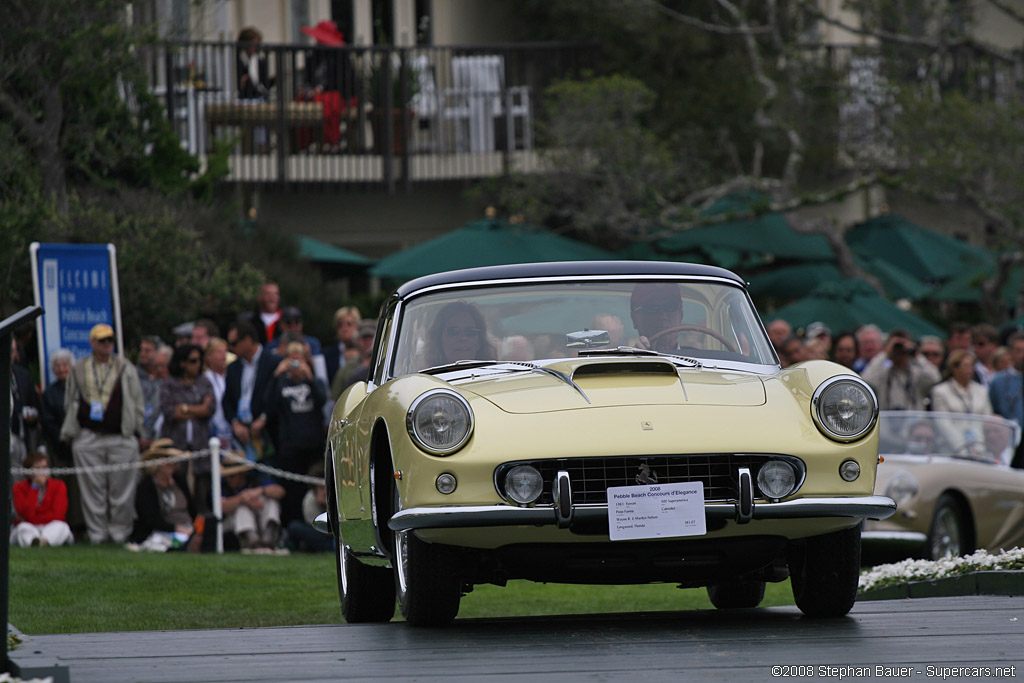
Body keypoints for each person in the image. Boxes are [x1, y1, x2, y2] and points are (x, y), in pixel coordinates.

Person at [60, 323, 145, 545]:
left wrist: (136, 428)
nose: (107, 344)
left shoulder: (125, 367)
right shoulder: (79, 368)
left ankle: (120, 533)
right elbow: (70, 400)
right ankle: (97, 534)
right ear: (92, 343)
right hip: (89, 434)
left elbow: (137, 401)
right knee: (92, 489)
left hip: (121, 435)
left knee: (122, 489)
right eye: (102, 340)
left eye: (110, 340)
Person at [264, 340, 327, 525]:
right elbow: (269, 405)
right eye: (292, 361)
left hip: (313, 445)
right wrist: (277, 375)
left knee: (314, 486)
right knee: (292, 489)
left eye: (300, 360)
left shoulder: (314, 381)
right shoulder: (281, 383)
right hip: (290, 447)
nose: (296, 366)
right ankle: (294, 528)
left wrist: (310, 377)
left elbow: (321, 401)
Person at [223, 320, 280, 462]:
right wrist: (235, 423)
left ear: (248, 340)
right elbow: (227, 400)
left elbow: (277, 395)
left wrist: (264, 419)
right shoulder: (233, 368)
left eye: (234, 343)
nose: (231, 348)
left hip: (268, 434)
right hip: (242, 435)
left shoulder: (273, 362)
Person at [298, 19, 355, 153]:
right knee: (299, 103)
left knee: (327, 103)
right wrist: (308, 89)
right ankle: (300, 144)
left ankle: (331, 142)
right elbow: (308, 78)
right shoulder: (314, 56)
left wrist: (320, 89)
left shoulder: (341, 57)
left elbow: (342, 81)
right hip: (316, 94)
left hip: (338, 94)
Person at [129, 441, 197, 551]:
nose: (171, 464)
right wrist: (176, 528)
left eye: (173, 460)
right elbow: (151, 519)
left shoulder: (179, 481)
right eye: (167, 460)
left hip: (188, 527)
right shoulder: (146, 486)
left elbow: (192, 509)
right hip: (163, 531)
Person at [861, 329, 940, 411]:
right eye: (896, 349)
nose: (899, 353)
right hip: (887, 421)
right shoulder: (882, 374)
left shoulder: (918, 374)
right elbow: (866, 380)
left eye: (902, 349)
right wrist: (885, 353)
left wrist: (916, 354)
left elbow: (935, 378)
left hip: (914, 422)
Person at [9, 451, 73, 547]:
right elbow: (27, 514)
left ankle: (43, 542)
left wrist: (36, 516)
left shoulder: (59, 486)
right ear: (29, 472)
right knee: (23, 527)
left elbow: (58, 514)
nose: (42, 472)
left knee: (61, 526)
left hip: (50, 526)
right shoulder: (18, 488)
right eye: (38, 468)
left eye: (44, 468)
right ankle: (34, 541)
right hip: (30, 526)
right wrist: (34, 487)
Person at [219, 460, 286, 552]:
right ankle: (251, 541)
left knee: (271, 501)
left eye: (232, 476)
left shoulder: (255, 479)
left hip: (260, 522)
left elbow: (280, 492)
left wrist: (260, 491)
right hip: (233, 527)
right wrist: (242, 499)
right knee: (241, 508)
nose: (228, 479)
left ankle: (270, 537)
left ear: (242, 474)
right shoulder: (222, 485)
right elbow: (222, 507)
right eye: (226, 476)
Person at [236, 26, 275, 153]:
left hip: (258, 98)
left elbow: (264, 84)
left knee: (262, 111)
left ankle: (262, 147)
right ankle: (249, 148)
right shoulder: (238, 59)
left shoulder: (259, 61)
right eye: (252, 44)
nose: (255, 47)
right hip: (243, 98)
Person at [424, 301, 496, 367]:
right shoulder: (427, 380)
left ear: (479, 342)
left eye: (470, 332)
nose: (463, 338)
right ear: (439, 340)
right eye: (453, 332)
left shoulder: (495, 377)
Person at [285, 462, 332, 553]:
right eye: (321, 488)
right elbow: (320, 529)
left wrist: (330, 505)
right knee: (295, 527)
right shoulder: (310, 499)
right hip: (322, 536)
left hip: (337, 538)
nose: (325, 491)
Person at [930, 349, 993, 416]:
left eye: (971, 366)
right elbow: (942, 421)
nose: (970, 369)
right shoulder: (940, 391)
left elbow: (988, 418)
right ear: (954, 368)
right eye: (966, 366)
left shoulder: (982, 390)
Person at [10, 337, 42, 462]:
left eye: (12, 351)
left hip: (21, 437)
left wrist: (32, 416)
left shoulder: (23, 374)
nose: (8, 354)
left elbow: (35, 405)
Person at [629, 283, 685, 353]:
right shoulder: (621, 361)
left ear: (681, 316)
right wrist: (637, 360)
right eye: (651, 308)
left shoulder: (699, 358)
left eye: (670, 307)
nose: (662, 316)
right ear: (634, 319)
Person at [988, 331, 1024, 431]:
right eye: (1018, 351)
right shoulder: (998, 380)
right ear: (1010, 353)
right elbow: (993, 411)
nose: (1022, 355)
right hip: (1008, 436)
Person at [203, 337, 233, 449]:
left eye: (225, 352)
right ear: (209, 356)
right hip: (214, 429)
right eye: (219, 352)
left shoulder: (230, 375)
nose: (223, 356)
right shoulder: (205, 378)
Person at [136, 335, 163, 451]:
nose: (143, 354)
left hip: (159, 436)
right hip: (138, 436)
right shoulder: (133, 375)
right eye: (141, 350)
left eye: (147, 350)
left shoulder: (164, 377)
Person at [324, 305, 361, 388]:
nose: (344, 328)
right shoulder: (328, 354)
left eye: (349, 324)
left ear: (357, 326)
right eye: (340, 325)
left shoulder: (366, 351)